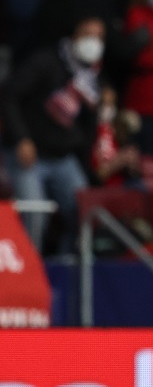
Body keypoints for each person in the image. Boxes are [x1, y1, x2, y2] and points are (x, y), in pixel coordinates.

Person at [1, 15, 105, 253]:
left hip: (63, 157)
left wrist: (84, 161)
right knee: (36, 217)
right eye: (88, 34)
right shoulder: (46, 62)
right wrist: (21, 139)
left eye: (100, 37)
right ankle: (29, 277)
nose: (94, 42)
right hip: (29, 156)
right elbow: (9, 96)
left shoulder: (92, 78)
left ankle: (63, 268)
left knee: (84, 213)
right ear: (73, 36)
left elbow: (88, 126)